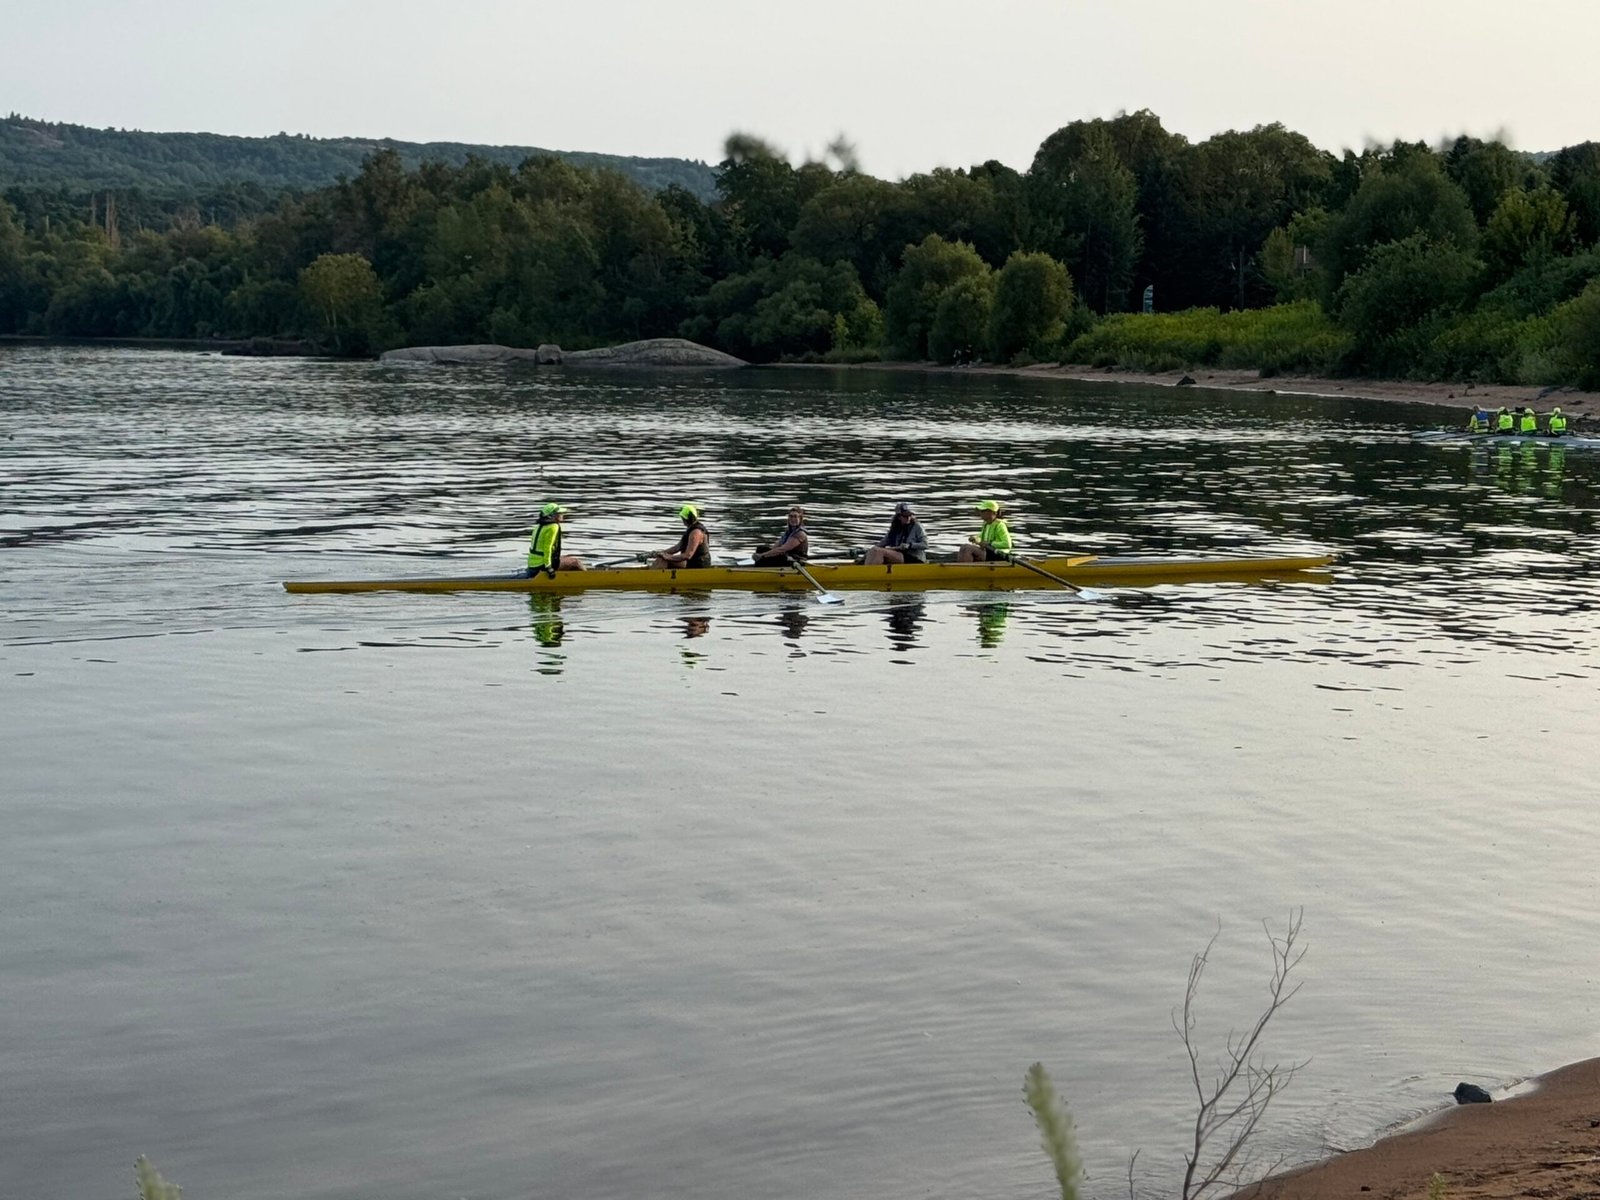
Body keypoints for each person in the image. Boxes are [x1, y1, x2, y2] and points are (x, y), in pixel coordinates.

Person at [526, 502, 584, 577]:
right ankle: (590, 578)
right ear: (552, 516)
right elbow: (547, 548)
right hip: (542, 565)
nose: (562, 514)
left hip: (532, 564)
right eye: (559, 513)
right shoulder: (553, 527)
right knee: (576, 562)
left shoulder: (538, 526)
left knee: (567, 557)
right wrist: (548, 567)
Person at [862, 501, 927, 566]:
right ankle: (864, 569)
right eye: (905, 516)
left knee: (880, 552)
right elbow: (881, 544)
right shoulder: (894, 529)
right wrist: (866, 555)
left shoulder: (917, 526)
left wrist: (910, 545)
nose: (908, 518)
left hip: (914, 558)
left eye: (909, 515)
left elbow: (925, 544)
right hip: (899, 556)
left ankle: (871, 573)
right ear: (898, 517)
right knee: (874, 550)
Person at [651, 504, 712, 569]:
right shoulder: (691, 529)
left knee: (663, 560)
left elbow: (688, 555)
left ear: (685, 518)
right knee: (661, 558)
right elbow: (677, 547)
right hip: (690, 562)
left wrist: (667, 557)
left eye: (682, 518)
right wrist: (661, 553)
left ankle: (650, 577)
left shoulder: (696, 533)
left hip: (698, 565)